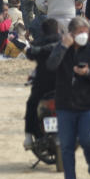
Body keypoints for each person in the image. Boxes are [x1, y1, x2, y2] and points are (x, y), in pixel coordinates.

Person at [46, 17, 90, 179]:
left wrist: (88, 73)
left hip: (87, 105)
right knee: (66, 146)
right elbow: (51, 65)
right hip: (65, 104)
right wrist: (63, 47)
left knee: (88, 141)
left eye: (86, 32)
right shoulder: (61, 48)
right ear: (71, 33)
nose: (83, 35)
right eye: (80, 32)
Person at [23, 18, 60, 150]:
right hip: (62, 83)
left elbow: (30, 54)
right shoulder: (64, 41)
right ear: (58, 29)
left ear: (43, 31)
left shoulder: (38, 43)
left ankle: (28, 136)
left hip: (42, 84)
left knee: (31, 104)